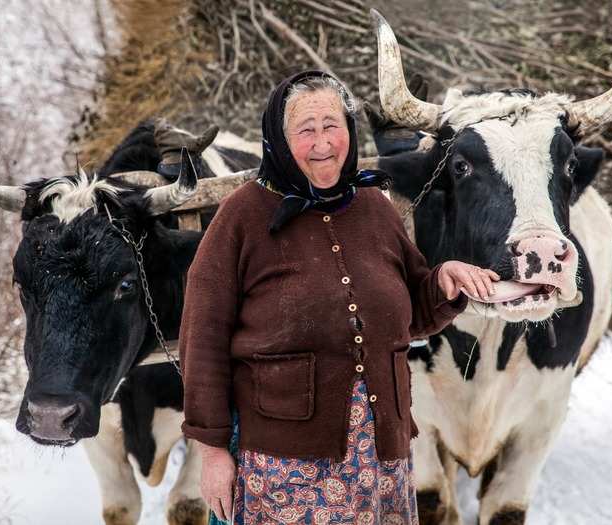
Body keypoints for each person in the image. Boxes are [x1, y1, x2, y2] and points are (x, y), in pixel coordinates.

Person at [178, 70, 499, 524]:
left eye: (333, 125)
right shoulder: (242, 216)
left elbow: (408, 312)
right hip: (285, 469)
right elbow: (202, 340)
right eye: (306, 130)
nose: (323, 142)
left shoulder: (373, 206)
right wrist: (211, 454)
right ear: (278, 139)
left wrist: (444, 282)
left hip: (381, 461)